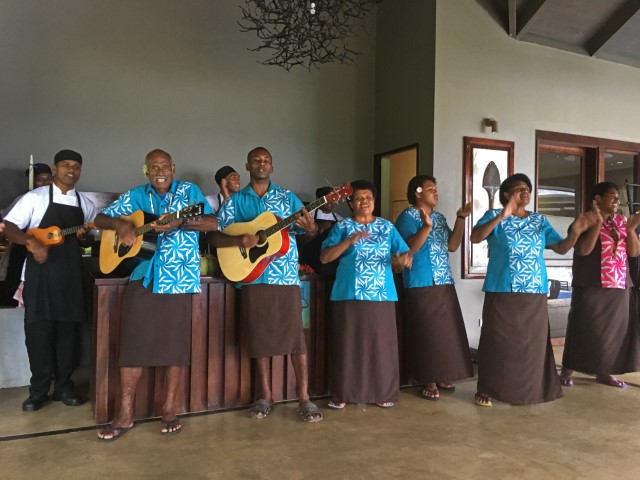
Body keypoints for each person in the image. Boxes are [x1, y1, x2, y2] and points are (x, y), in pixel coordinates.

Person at [95, 149, 254, 441]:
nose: (160, 170)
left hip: (179, 278)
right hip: (143, 276)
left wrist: (180, 223)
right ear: (146, 170)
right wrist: (121, 225)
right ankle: (125, 413)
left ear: (173, 168)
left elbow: (213, 222)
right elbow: (99, 218)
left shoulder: (188, 192)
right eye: (154, 166)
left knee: (175, 345)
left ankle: (169, 408)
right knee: (133, 344)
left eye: (165, 166)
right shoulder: (137, 196)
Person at [216, 146, 323, 422]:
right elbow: (216, 237)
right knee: (260, 339)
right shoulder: (236, 201)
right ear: (248, 166)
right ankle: (265, 396)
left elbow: (307, 235)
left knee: (296, 340)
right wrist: (239, 241)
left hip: (285, 278)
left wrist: (311, 229)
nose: (261, 164)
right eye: (256, 160)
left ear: (272, 167)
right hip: (252, 276)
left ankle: (304, 398)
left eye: (266, 160)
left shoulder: (288, 199)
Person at [470, 173, 594, 407]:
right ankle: (487, 388)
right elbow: (476, 237)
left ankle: (529, 389)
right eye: (519, 188)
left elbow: (560, 247)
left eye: (527, 188)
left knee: (531, 343)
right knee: (497, 341)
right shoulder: (493, 216)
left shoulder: (539, 220)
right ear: (506, 194)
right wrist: (502, 215)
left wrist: (575, 232)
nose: (525, 192)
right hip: (502, 289)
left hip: (534, 289)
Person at [3, 150, 96, 411]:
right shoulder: (35, 198)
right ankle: (38, 390)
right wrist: (30, 241)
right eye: (66, 165)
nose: (71, 170)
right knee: (39, 334)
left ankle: (64, 387)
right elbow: (9, 226)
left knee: (68, 334)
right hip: (40, 275)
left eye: (77, 166)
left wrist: (84, 236)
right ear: (55, 168)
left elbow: (88, 240)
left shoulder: (85, 203)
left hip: (70, 276)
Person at [320, 180, 412, 409]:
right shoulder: (341, 227)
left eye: (368, 197)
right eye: (359, 198)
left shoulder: (387, 227)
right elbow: (325, 258)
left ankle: (382, 392)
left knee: (381, 346)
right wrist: (350, 241)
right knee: (348, 345)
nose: (365, 202)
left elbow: (401, 257)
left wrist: (400, 260)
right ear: (351, 203)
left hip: (381, 294)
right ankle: (343, 393)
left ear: (374, 201)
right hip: (348, 294)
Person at [395, 175, 474, 401]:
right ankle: (428, 378)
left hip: (443, 280)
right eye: (431, 189)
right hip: (420, 281)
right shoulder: (408, 216)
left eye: (436, 189)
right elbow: (407, 249)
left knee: (445, 333)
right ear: (418, 192)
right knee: (426, 332)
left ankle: (441, 374)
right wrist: (425, 228)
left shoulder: (438, 217)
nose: (436, 193)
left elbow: (452, 245)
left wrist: (460, 218)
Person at [560, 182, 640, 388]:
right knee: (583, 327)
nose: (616, 200)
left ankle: (604, 372)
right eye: (611, 196)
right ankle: (568, 368)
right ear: (597, 199)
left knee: (613, 333)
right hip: (591, 283)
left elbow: (634, 252)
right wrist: (598, 223)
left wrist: (630, 230)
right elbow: (584, 250)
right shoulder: (584, 220)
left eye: (617, 198)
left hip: (620, 283)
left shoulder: (622, 221)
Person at [0, 163, 54, 307]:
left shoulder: (59, 199)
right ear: (32, 181)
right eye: (40, 179)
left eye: (48, 178)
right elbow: (7, 224)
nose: (45, 182)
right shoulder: (24, 199)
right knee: (16, 288)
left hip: (49, 253)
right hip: (22, 251)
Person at [298, 186, 343, 277]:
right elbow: (299, 241)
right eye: (327, 199)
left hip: (332, 266)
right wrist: (317, 229)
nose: (330, 202)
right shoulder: (308, 216)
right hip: (310, 265)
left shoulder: (340, 220)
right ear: (318, 200)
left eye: (333, 199)